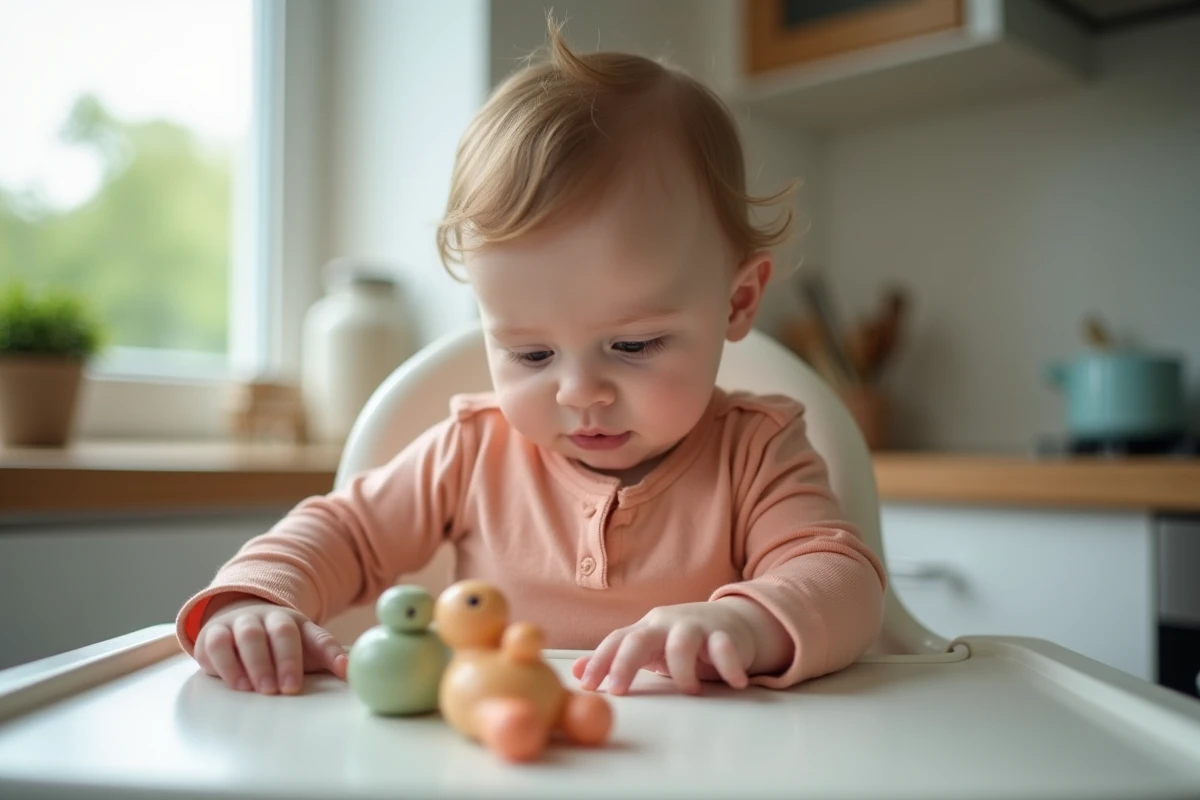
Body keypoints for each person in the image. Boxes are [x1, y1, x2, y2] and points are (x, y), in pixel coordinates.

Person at [177, 18, 886, 700]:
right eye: (531, 352)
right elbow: (341, 532)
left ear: (736, 303)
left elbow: (840, 580)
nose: (579, 393)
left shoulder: (757, 455)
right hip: (495, 748)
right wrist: (253, 599)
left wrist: (746, 623)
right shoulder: (469, 453)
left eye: (633, 345)